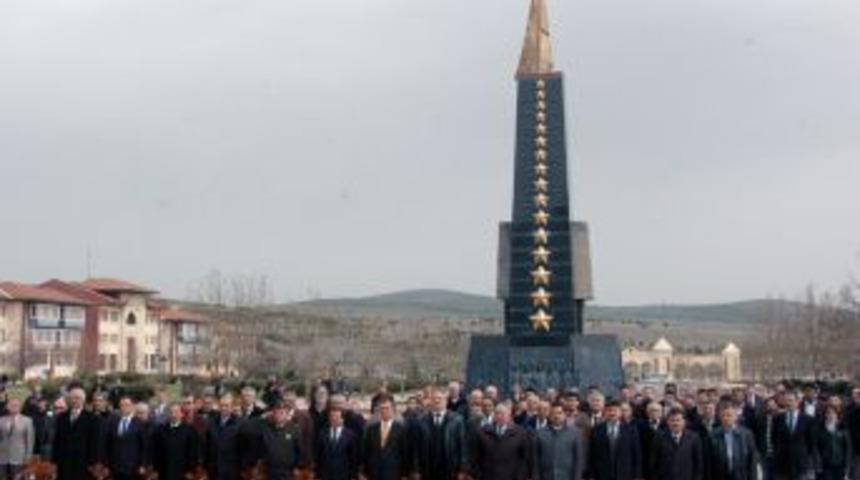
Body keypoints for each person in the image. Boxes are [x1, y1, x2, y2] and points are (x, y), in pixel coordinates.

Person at [415, 389, 468, 480]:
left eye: (440, 398)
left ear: (446, 401)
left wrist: (462, 469)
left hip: (450, 468)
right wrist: (416, 469)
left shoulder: (457, 420)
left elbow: (462, 446)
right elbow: (416, 447)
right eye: (434, 399)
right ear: (430, 402)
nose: (437, 401)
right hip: (428, 469)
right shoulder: (421, 420)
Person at [470, 403, 531, 480]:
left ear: (509, 416)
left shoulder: (520, 433)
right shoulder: (483, 432)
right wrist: (477, 474)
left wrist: (520, 476)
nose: (499, 416)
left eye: (502, 414)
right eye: (497, 413)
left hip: (511, 476)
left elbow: (525, 458)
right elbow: (475, 455)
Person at [585, 399, 642, 480]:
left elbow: (636, 455)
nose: (612, 413)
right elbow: (591, 454)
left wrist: (637, 476)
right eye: (609, 410)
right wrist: (590, 475)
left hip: (625, 474)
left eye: (615, 410)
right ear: (604, 412)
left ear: (620, 412)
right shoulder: (597, 430)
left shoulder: (631, 430)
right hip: (602, 474)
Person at [52, 388, 100, 480]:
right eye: (72, 398)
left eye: (77, 398)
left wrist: (93, 463)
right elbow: (57, 441)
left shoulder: (92, 418)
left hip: (82, 463)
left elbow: (95, 443)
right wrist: (54, 461)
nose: (74, 400)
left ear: (83, 400)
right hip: (64, 463)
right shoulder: (61, 417)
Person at [361, 396, 412, 480]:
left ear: (392, 410)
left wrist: (405, 474)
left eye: (387, 408)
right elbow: (366, 451)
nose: (384, 411)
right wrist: (363, 472)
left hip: (394, 473)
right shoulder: (372, 429)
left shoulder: (401, 429)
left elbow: (405, 453)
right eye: (381, 408)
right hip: (374, 473)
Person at [650, 407, 703, 480]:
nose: (675, 423)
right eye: (672, 420)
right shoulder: (659, 438)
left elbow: (698, 463)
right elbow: (654, 462)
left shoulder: (694, 438)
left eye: (678, 420)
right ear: (667, 422)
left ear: (684, 422)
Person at [772, 392, 816, 480]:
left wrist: (805, 454)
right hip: (783, 461)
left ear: (797, 402)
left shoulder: (807, 419)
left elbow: (811, 441)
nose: (788, 403)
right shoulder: (778, 418)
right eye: (786, 401)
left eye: (791, 401)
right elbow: (774, 438)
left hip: (800, 461)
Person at [708, 404, 758, 480]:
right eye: (723, 415)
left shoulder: (746, 434)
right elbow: (710, 461)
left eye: (729, 415)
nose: (726, 418)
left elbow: (752, 460)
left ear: (735, 417)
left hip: (741, 475)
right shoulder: (713, 435)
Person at [534, 403, 582, 480]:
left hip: (567, 476)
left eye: (559, 413)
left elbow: (578, 460)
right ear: (549, 415)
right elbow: (536, 460)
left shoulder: (575, 433)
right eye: (553, 413)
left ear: (565, 415)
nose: (556, 416)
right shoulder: (539, 434)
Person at [151, 403, 198, 480]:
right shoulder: (160, 430)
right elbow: (156, 451)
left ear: (181, 414)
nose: (173, 415)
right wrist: (155, 469)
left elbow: (193, 452)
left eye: (176, 412)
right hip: (164, 471)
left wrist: (191, 470)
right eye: (171, 412)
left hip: (183, 472)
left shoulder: (189, 430)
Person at [103, 396, 146, 480]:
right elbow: (108, 444)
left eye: (127, 405)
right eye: (121, 405)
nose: (124, 407)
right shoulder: (113, 422)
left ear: (132, 406)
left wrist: (143, 465)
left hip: (133, 468)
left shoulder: (139, 423)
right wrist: (107, 465)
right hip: (115, 467)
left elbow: (144, 446)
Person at [260, 400, 303, 480]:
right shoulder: (266, 429)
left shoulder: (294, 430)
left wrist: (298, 467)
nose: (278, 415)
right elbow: (261, 449)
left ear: (286, 414)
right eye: (276, 413)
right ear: (273, 414)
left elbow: (299, 450)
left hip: (288, 473)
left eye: (282, 413)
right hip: (270, 472)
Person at [316, 405, 359, 480]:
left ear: (342, 419)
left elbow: (353, 458)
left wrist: (353, 476)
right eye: (332, 416)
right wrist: (317, 475)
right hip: (325, 474)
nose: (334, 419)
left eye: (337, 417)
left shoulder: (350, 435)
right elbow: (318, 456)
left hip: (343, 475)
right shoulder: (322, 433)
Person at [206, 394, 242, 480]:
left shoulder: (239, 423)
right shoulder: (211, 422)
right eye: (221, 405)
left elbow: (242, 447)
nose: (223, 408)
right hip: (214, 469)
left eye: (227, 405)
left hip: (231, 470)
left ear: (232, 407)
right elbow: (207, 445)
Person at [813, 405, 852, 480]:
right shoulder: (819, 428)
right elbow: (815, 448)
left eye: (833, 413)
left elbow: (848, 449)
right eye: (828, 413)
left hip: (840, 465)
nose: (830, 415)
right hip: (824, 465)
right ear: (825, 415)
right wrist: (818, 464)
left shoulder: (843, 428)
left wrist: (847, 466)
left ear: (837, 415)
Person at [0, 398, 34, 480]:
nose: (14, 407)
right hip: (3, 457)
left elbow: (30, 441)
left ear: (20, 407)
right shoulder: (1, 420)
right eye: (12, 405)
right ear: (8, 407)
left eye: (16, 405)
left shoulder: (27, 421)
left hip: (19, 457)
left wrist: (28, 457)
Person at [637, 401, 664, 480]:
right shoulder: (639, 426)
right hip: (645, 466)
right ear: (647, 413)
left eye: (657, 411)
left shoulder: (667, 426)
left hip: (662, 467)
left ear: (661, 413)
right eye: (652, 410)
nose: (654, 413)